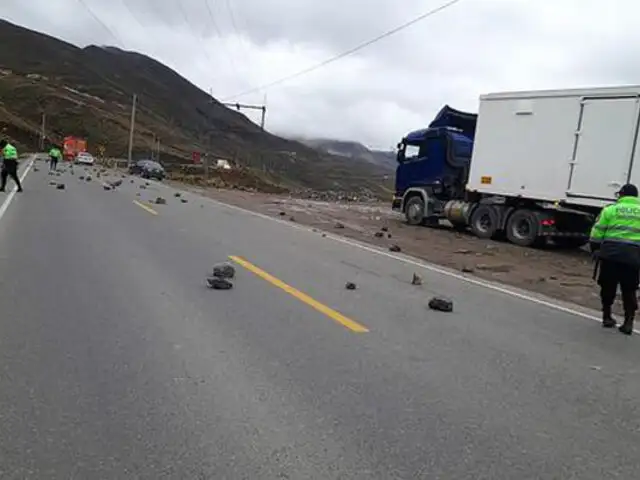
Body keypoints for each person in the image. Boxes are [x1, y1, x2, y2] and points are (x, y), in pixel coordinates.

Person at [590, 183, 640, 335]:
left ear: (622, 195)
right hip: (633, 257)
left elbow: (597, 232)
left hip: (610, 254)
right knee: (629, 288)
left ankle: (607, 317)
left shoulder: (610, 210)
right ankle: (628, 322)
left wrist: (595, 249)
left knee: (608, 286)